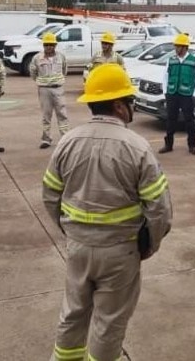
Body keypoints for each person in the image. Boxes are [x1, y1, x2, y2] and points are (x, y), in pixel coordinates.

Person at [42, 63, 172, 361]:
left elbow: (50, 195)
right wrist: (150, 244)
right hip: (120, 252)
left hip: (78, 248)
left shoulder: (67, 142)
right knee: (109, 324)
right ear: (118, 105)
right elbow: (159, 209)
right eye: (129, 100)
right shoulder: (137, 147)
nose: (132, 105)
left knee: (73, 313)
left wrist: (70, 230)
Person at [160, 34, 195, 156]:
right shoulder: (171, 60)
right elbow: (165, 77)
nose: (176, 48)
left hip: (187, 95)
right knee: (170, 120)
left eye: (178, 46)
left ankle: (192, 145)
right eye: (175, 46)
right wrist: (165, 92)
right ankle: (168, 144)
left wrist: (194, 95)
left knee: (189, 121)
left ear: (185, 47)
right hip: (172, 94)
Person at [31, 32, 69, 149]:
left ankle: (65, 138)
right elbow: (33, 73)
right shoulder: (37, 58)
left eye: (51, 45)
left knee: (62, 114)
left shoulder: (61, 57)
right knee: (46, 115)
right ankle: (46, 139)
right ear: (43, 46)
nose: (49, 47)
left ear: (55, 45)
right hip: (44, 90)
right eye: (47, 45)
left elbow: (64, 70)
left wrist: (58, 81)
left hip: (58, 88)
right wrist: (42, 82)